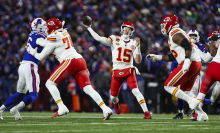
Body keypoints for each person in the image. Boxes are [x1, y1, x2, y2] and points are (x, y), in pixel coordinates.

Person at [26, 18, 112, 120]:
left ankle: (61, 107)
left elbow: (41, 57)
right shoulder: (64, 31)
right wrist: (41, 40)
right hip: (80, 60)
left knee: (49, 83)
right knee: (87, 88)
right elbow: (49, 41)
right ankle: (105, 108)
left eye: (48, 28)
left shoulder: (53, 37)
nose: (46, 29)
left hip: (69, 61)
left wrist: (32, 52)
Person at [84, 20, 152, 119]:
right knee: (113, 97)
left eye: (129, 29)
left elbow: (137, 61)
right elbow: (99, 38)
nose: (126, 30)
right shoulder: (114, 39)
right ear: (121, 29)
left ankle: (147, 113)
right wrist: (89, 28)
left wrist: (138, 48)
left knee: (136, 91)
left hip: (129, 70)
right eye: (125, 28)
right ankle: (116, 104)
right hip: (116, 72)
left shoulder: (134, 42)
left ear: (131, 31)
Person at [146, 15, 208, 121]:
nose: (163, 27)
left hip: (190, 62)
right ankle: (201, 114)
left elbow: (188, 45)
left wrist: (187, 60)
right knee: (186, 91)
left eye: (164, 25)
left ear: (169, 24)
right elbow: (173, 56)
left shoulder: (174, 33)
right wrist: (157, 57)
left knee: (167, 85)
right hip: (195, 63)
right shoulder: (176, 33)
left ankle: (191, 102)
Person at [0, 18, 47, 120]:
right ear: (38, 27)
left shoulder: (32, 35)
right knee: (34, 94)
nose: (45, 26)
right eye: (43, 25)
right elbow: (45, 44)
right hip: (30, 66)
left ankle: (1, 109)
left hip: (23, 66)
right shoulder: (39, 36)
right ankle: (16, 108)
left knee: (19, 94)